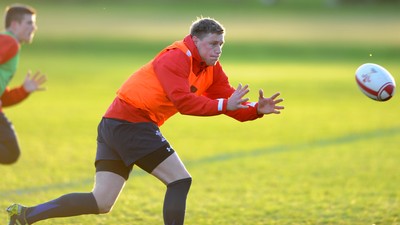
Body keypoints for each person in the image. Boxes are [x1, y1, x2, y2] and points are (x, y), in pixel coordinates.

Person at [6, 17, 284, 225]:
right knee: (179, 180)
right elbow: (184, 102)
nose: (218, 49)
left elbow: (228, 102)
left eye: (221, 44)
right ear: (195, 40)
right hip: (131, 122)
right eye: (213, 43)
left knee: (101, 202)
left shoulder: (210, 68)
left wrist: (255, 109)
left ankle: (25, 216)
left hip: (115, 124)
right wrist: (226, 104)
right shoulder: (176, 57)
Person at [0, 4, 47, 165]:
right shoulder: (9, 42)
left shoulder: (9, 43)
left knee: (10, 152)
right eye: (29, 23)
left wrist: (23, 90)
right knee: (10, 151)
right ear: (14, 24)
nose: (34, 27)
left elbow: (3, 99)